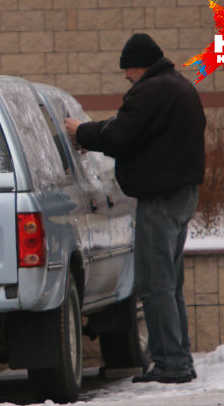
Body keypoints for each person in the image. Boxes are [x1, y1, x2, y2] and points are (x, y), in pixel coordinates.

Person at [65, 33, 206, 384]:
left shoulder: (151, 90)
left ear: (136, 65)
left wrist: (80, 131)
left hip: (161, 197)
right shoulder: (180, 87)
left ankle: (171, 364)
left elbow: (120, 134)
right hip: (183, 193)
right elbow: (143, 136)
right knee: (169, 282)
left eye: (126, 71)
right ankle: (179, 358)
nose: (126, 78)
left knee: (154, 283)